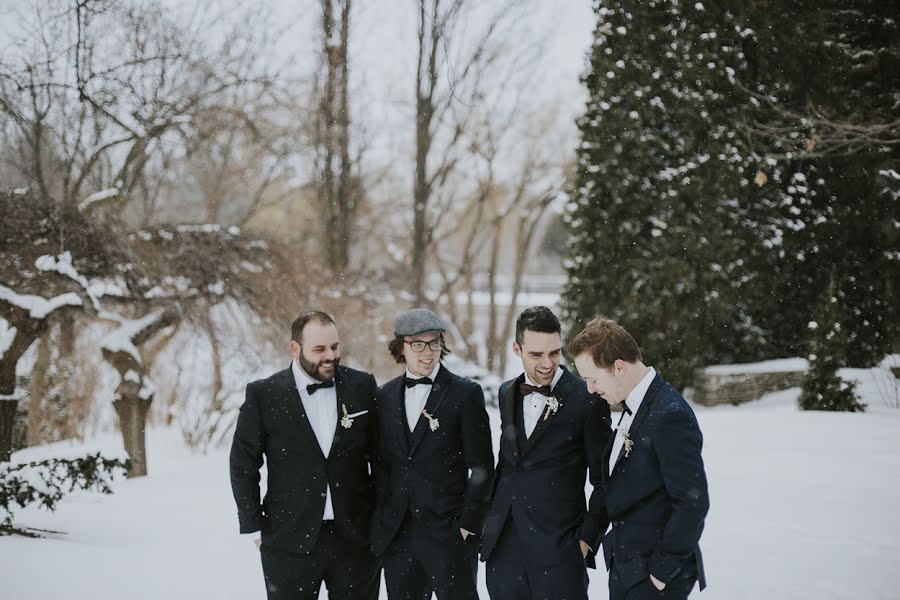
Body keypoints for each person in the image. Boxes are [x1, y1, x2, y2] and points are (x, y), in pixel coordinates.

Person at [229, 310, 380, 600]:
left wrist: (378, 520)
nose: (330, 356)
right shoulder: (264, 395)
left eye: (335, 347)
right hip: (287, 541)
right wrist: (254, 526)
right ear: (295, 348)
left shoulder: (362, 387)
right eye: (319, 349)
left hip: (356, 540)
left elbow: (382, 459)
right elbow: (242, 464)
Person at [569, 316, 710, 600]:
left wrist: (657, 575)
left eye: (593, 379)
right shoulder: (634, 406)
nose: (590, 389)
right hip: (628, 570)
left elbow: (692, 504)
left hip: (653, 579)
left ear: (618, 367)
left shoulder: (670, 415)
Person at [481, 306, 612, 600]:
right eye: (536, 355)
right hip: (504, 550)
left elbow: (605, 478)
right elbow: (509, 463)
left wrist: (587, 539)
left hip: (560, 551)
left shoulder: (587, 399)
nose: (546, 363)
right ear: (517, 348)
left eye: (554, 353)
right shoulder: (506, 393)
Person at [370, 308, 494, 600]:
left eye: (434, 343)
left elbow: (482, 467)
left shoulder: (465, 394)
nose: (428, 352)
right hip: (397, 536)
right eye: (418, 344)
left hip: (450, 535)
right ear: (402, 346)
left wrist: (467, 526)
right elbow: (380, 464)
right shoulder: (383, 396)